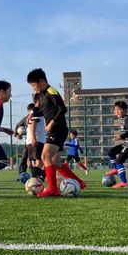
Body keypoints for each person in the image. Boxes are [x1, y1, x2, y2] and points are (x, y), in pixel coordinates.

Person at [26, 68, 85, 197]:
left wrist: (52, 122)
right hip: (56, 129)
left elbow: (62, 109)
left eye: (34, 85)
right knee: (56, 162)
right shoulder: (41, 95)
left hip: (58, 128)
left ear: (41, 81)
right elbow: (44, 110)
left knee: (45, 156)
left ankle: (53, 189)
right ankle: (80, 183)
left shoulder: (51, 91)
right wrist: (32, 114)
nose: (33, 88)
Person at [105, 101, 128, 188]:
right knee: (110, 151)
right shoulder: (123, 119)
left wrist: (121, 136)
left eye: (119, 109)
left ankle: (124, 183)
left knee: (119, 161)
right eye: (115, 110)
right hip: (126, 144)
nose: (117, 112)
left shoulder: (126, 118)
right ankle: (116, 169)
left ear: (124, 110)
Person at [28, 95, 47, 181]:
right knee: (39, 162)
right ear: (39, 100)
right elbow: (33, 124)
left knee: (44, 161)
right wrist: (34, 138)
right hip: (37, 140)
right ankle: (34, 182)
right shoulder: (36, 111)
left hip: (39, 140)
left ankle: (39, 181)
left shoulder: (35, 111)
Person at [14, 105, 31, 178]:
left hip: (41, 141)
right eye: (30, 111)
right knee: (24, 157)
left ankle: (39, 175)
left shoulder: (40, 117)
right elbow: (18, 125)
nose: (31, 112)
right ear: (28, 111)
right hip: (28, 142)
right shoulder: (25, 119)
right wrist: (17, 134)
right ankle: (22, 174)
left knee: (40, 158)